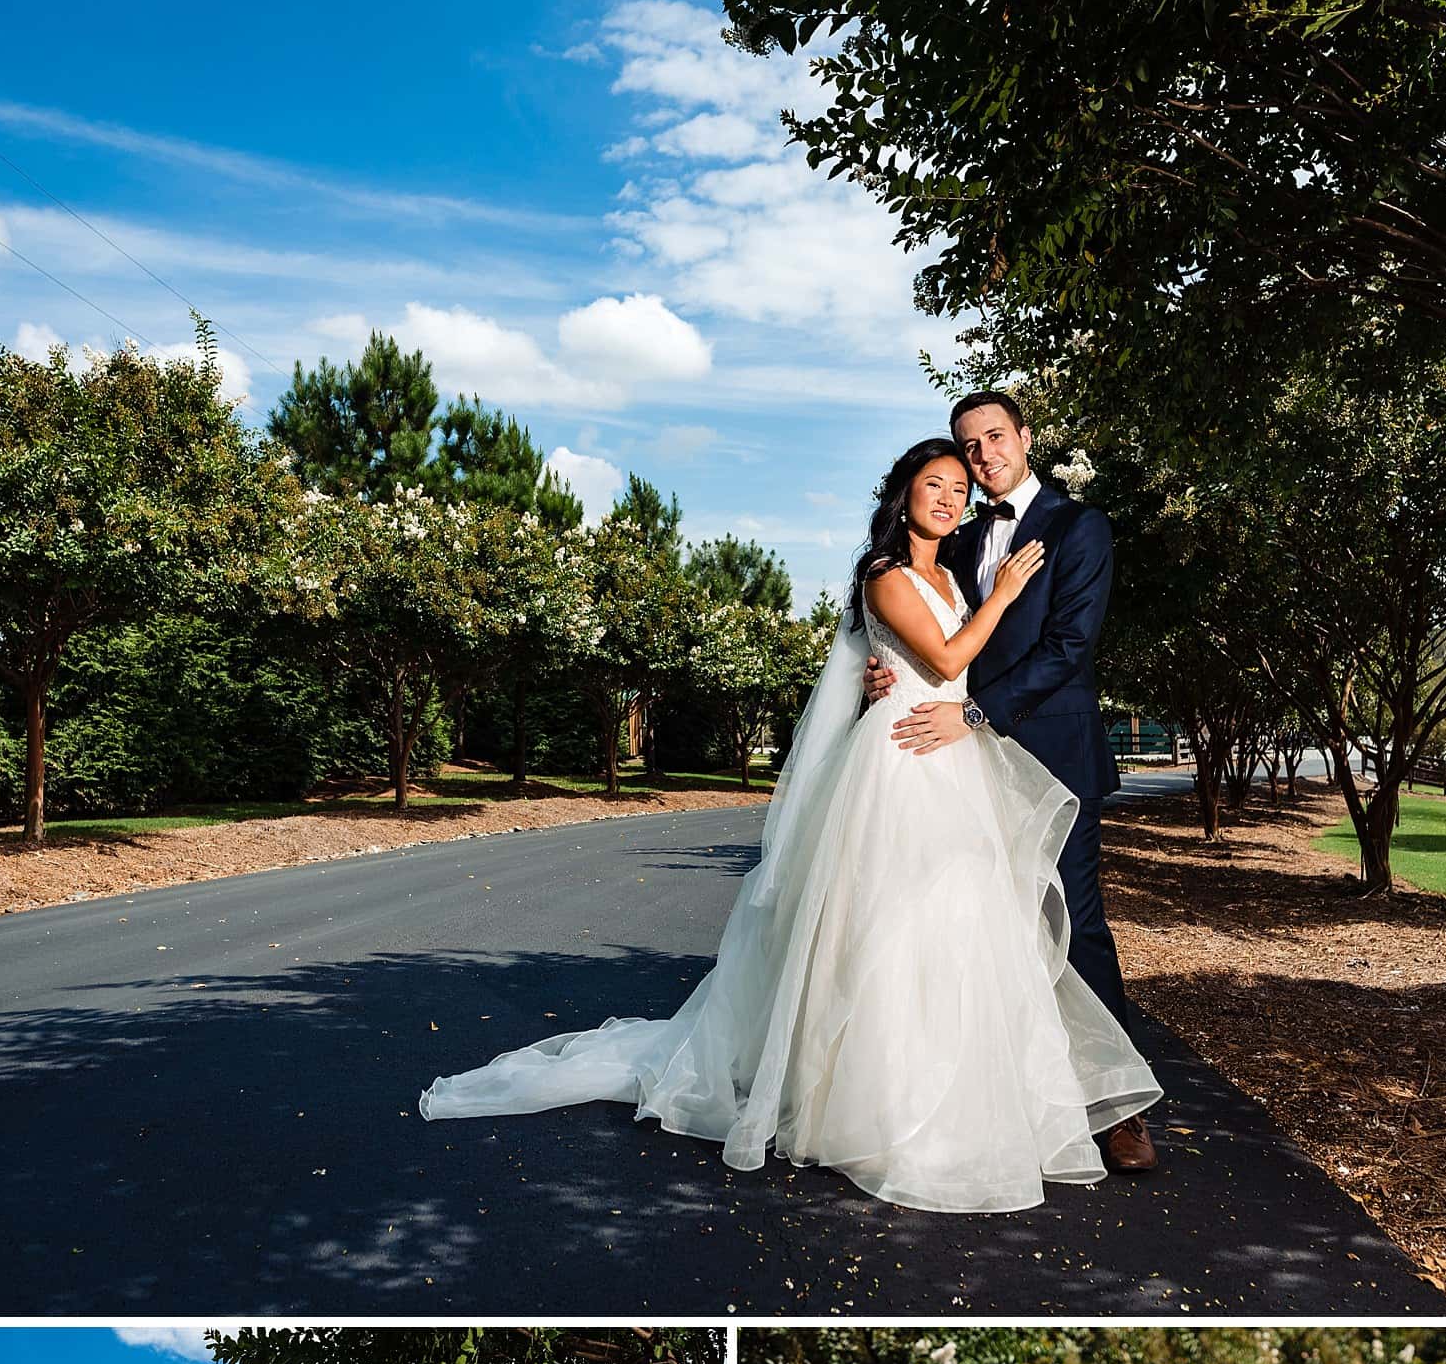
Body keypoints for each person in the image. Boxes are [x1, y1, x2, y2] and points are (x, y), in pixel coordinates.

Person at [420, 436, 1161, 1213]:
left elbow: (974, 656)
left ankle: (981, 1092)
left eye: (958, 485)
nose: (949, 495)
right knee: (885, 923)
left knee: (966, 923)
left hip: (957, 750)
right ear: (901, 493)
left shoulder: (956, 564)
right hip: (904, 757)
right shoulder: (886, 573)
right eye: (933, 482)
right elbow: (943, 660)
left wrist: (919, 664)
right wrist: (987, 608)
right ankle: (875, 1103)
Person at [863, 390, 1156, 1173]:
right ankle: (999, 1090)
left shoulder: (1078, 526)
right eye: (970, 444)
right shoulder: (954, 541)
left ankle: (1117, 1110)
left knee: (1074, 922)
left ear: (1026, 438)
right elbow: (935, 633)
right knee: (974, 925)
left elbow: (1068, 647)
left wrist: (978, 714)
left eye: (996, 436)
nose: (984, 453)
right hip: (959, 763)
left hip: (1049, 752)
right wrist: (881, 669)